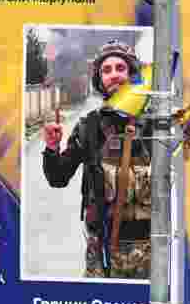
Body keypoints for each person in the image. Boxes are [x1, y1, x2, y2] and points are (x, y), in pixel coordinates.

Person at [40, 39, 151, 279]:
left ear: (132, 74)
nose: (113, 75)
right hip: (101, 253)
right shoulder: (88, 126)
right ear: (99, 80)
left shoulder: (155, 126)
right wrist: (51, 148)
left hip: (152, 253)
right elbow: (58, 177)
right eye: (106, 70)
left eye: (121, 68)